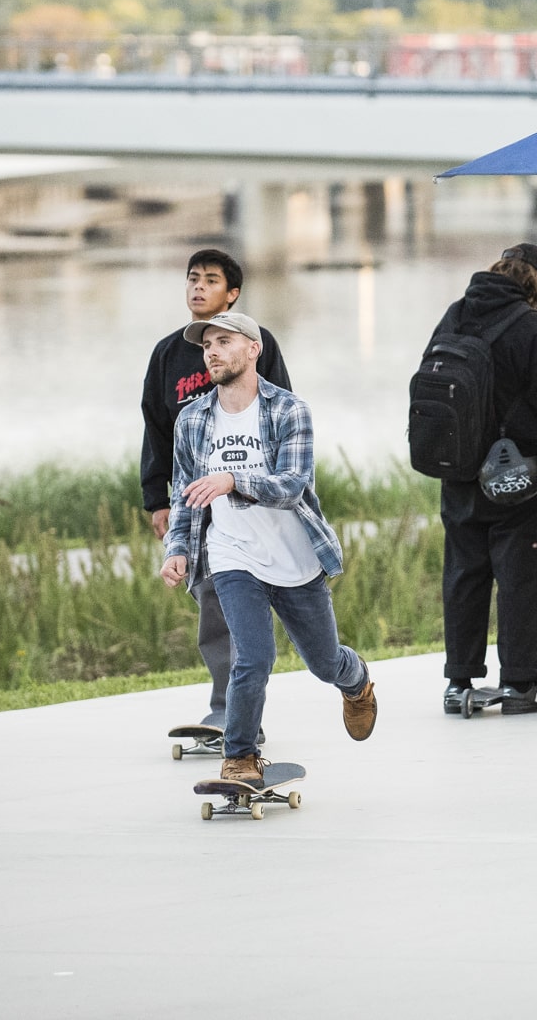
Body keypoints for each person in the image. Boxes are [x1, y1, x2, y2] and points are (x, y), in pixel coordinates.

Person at [160, 311, 376, 785]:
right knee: (253, 657)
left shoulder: (288, 410)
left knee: (323, 662)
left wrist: (233, 480)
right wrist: (176, 549)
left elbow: (292, 486)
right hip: (233, 555)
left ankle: (355, 680)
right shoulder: (192, 419)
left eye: (223, 341)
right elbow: (184, 496)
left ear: (253, 349)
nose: (211, 352)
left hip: (295, 558)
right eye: (206, 345)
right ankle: (239, 755)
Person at [139, 247, 291, 729]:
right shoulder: (167, 353)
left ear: (233, 294)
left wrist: (277, 489)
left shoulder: (256, 343)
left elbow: (282, 412)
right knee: (211, 602)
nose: (198, 287)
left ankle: (242, 711)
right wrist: (156, 499)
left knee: (256, 606)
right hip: (195, 505)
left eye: (210, 279)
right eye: (192, 278)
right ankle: (228, 712)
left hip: (250, 499)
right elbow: (155, 428)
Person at [428, 243, 537, 715]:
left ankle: (458, 682)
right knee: (519, 575)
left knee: (464, 574)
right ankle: (521, 684)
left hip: (457, 466)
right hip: (515, 473)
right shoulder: (532, 328)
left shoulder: (455, 314)